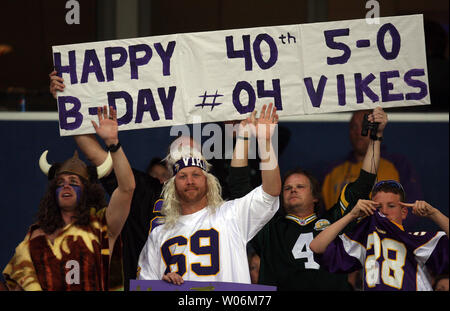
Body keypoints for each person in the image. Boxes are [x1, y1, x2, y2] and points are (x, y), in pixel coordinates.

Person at [49, 70, 262, 289]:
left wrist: (243, 134)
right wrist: (67, 107)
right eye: (180, 163)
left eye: (194, 165)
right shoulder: (142, 189)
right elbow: (98, 157)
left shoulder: (215, 196)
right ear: (169, 168)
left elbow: (242, 187)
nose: (188, 173)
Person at [137, 104, 281, 284]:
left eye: (196, 174)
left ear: (208, 181)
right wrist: (162, 283)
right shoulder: (158, 234)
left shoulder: (232, 215)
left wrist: (266, 143)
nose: (190, 181)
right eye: (182, 176)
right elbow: (145, 285)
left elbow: (271, 192)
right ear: (171, 186)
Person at [249, 107, 388, 291]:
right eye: (287, 188)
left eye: (300, 187)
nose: (293, 190)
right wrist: (257, 140)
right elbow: (240, 187)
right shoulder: (270, 230)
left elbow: (365, 182)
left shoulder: (335, 220)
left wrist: (376, 137)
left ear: (315, 197)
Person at [2, 106, 135, 290]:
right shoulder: (36, 235)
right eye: (60, 182)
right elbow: (16, 284)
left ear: (87, 191)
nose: (65, 185)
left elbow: (127, 188)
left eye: (73, 182)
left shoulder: (102, 225)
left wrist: (113, 143)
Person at [310, 180, 449, 291]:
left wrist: (434, 214)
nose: (384, 212)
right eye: (378, 207)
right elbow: (316, 246)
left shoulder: (418, 239)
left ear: (404, 212)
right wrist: (351, 215)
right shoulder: (365, 240)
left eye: (391, 206)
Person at [321, 110, 423, 230]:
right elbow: (323, 213)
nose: (359, 132)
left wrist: (394, 234)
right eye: (354, 127)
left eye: (365, 126)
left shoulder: (397, 164)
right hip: (343, 242)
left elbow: (411, 206)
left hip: (387, 239)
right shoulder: (332, 170)